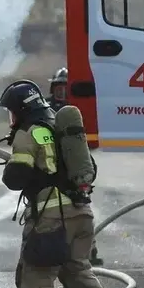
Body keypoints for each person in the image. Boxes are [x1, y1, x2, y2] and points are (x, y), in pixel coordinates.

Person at [0, 80, 117, 288]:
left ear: (21, 110)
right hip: (81, 212)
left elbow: (16, 177)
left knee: (36, 273)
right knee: (77, 268)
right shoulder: (61, 127)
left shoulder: (29, 132)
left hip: (52, 215)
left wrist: (13, 163)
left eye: (11, 112)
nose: (11, 119)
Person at [46, 66, 104, 268]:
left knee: (81, 204)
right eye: (59, 91)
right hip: (52, 167)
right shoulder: (46, 111)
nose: (62, 97)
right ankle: (53, 246)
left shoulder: (78, 112)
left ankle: (89, 248)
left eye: (67, 91)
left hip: (75, 166)